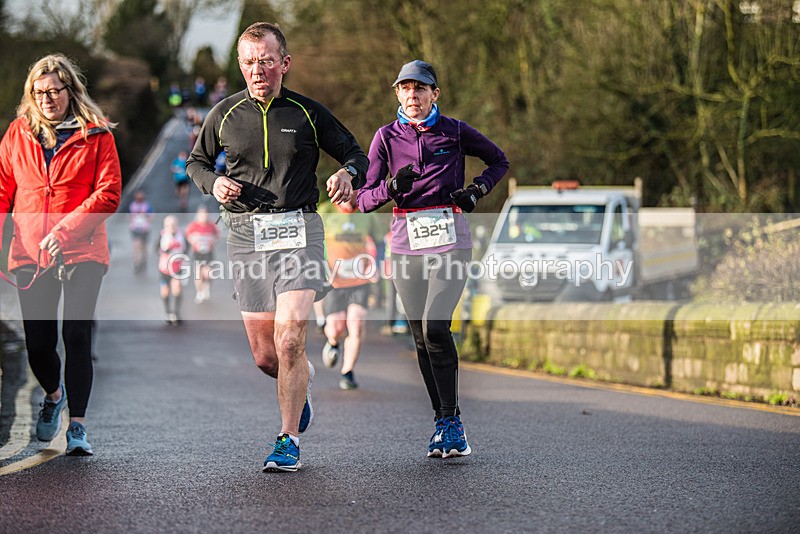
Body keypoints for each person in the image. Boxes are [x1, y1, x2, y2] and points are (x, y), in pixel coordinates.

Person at [186, 22, 368, 472]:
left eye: (266, 60)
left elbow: (355, 153)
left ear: (284, 63)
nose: (257, 70)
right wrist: (214, 183)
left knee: (289, 340)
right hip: (246, 236)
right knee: (267, 356)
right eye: (248, 62)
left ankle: (287, 440)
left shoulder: (307, 113)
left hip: (300, 231)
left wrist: (348, 175)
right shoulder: (224, 115)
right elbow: (196, 162)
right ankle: (300, 383)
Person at [357, 60, 509, 459]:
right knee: (422, 338)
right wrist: (390, 187)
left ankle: (453, 423)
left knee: (437, 327)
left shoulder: (454, 131)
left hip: (450, 241)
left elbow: (499, 161)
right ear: (397, 94)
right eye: (405, 89)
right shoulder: (386, 138)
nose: (412, 96)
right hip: (406, 244)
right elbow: (363, 200)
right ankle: (443, 421)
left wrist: (476, 190)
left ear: (434, 94)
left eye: (420, 89)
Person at [0, 54, 122, 456]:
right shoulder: (17, 135)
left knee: (77, 334)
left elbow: (108, 194)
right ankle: (54, 395)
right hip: (29, 255)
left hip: (83, 251)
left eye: (54, 90)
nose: (47, 98)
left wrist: (65, 231)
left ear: (71, 90)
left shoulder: (97, 136)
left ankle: (78, 427)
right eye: (39, 92)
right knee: (38, 344)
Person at [318, 197, 380, 390]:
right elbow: (315, 243)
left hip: (359, 279)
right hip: (334, 281)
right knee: (336, 327)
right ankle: (333, 342)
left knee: (357, 324)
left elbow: (379, 242)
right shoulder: (326, 209)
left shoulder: (367, 213)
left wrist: (376, 266)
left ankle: (348, 372)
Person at [185, 204, 220, 303]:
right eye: (201, 215)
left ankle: (206, 288)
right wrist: (193, 240)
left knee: (208, 274)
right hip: (198, 253)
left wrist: (212, 240)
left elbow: (217, 236)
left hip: (208, 253)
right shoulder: (193, 225)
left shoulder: (211, 225)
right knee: (198, 275)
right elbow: (187, 235)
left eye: (205, 214)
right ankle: (199, 292)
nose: (203, 216)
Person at [157, 215, 188, 325]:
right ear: (165, 226)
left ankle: (176, 314)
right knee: (165, 291)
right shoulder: (162, 235)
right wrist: (164, 251)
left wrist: (181, 258)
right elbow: (156, 249)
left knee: (177, 289)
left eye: (173, 224)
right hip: (164, 268)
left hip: (177, 267)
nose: (171, 227)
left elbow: (187, 247)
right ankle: (167, 312)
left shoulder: (181, 235)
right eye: (169, 225)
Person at [128, 189, 153, 273]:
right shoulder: (132, 206)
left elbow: (151, 217)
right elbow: (130, 217)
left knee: (144, 247)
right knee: (136, 246)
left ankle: (143, 261)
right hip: (135, 229)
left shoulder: (147, 206)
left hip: (144, 229)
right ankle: (137, 263)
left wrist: (145, 216)